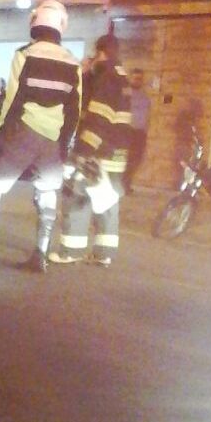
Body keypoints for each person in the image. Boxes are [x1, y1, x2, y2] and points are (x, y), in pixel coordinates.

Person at [0, 0, 82, 273]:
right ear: (60, 26)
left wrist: (0, 132)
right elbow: (75, 108)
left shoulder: (25, 54)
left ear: (36, 22)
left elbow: (13, 97)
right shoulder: (73, 63)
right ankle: (40, 256)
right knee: (47, 193)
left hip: (24, 132)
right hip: (53, 140)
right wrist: (64, 144)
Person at [49, 34, 131, 266]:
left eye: (94, 54)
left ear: (101, 52)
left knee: (76, 196)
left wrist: (82, 151)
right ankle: (104, 253)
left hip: (97, 152)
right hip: (115, 153)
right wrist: (86, 75)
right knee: (107, 201)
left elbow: (98, 116)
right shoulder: (120, 76)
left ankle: (70, 251)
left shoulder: (107, 78)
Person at [123, 68, 150, 192]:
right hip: (127, 132)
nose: (138, 81)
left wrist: (145, 131)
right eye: (135, 78)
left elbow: (147, 115)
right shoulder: (124, 94)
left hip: (140, 133)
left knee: (136, 159)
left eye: (140, 79)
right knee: (126, 159)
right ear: (131, 78)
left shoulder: (145, 97)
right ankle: (122, 184)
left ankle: (127, 183)